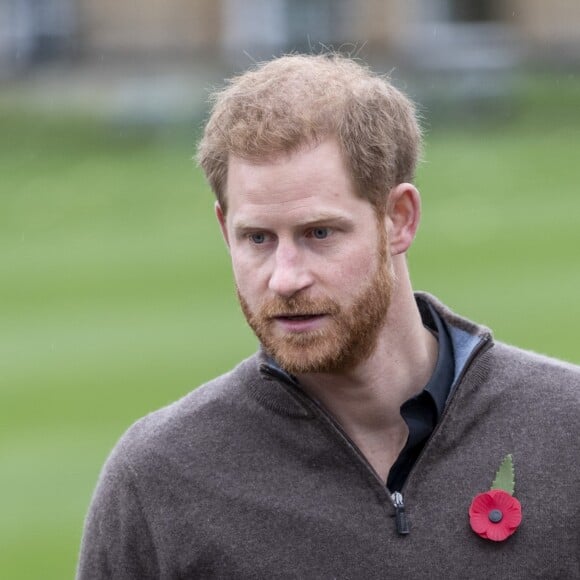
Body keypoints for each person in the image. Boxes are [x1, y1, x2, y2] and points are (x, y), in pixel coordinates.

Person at [77, 54, 580, 579]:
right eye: (257, 238)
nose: (285, 277)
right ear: (224, 228)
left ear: (398, 220)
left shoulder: (568, 429)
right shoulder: (159, 478)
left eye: (319, 233)